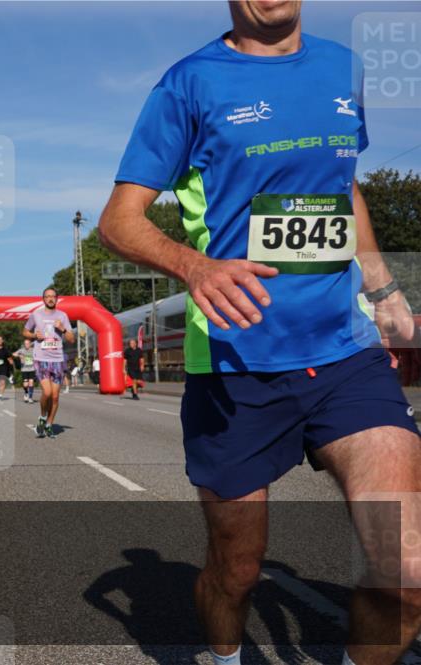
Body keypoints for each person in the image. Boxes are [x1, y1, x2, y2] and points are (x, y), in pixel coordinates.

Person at [98, 2, 421, 663]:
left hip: (344, 353)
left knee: (406, 569)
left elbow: (344, 187)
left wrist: (384, 290)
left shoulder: (343, 68)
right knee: (237, 571)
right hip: (235, 364)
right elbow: (118, 221)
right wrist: (194, 266)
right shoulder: (189, 83)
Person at [24, 287, 75, 439]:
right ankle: (42, 417)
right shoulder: (36, 315)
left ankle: (49, 425)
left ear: (56, 299)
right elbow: (25, 331)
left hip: (57, 359)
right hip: (41, 358)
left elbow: (71, 339)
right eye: (47, 296)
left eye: (53, 296)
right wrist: (34, 335)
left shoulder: (63, 316)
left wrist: (63, 329)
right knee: (47, 392)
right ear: (43, 299)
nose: (50, 299)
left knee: (55, 397)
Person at [13, 339, 36, 403]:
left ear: (30, 344)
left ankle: (30, 397)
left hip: (32, 369)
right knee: (25, 384)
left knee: (31, 383)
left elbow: (39, 355)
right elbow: (13, 354)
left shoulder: (33, 350)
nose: (26, 345)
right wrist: (19, 356)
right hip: (24, 369)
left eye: (28, 343)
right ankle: (26, 393)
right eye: (25, 344)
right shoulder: (21, 350)